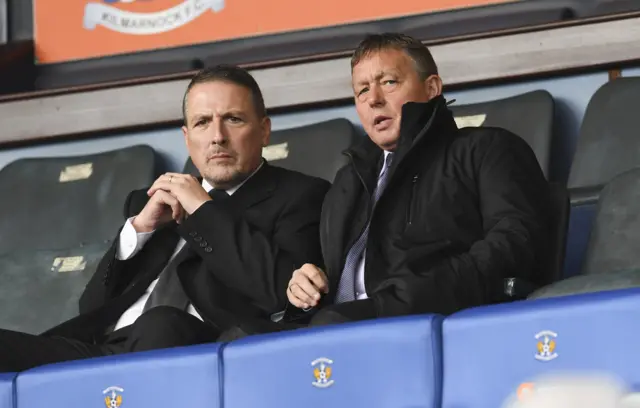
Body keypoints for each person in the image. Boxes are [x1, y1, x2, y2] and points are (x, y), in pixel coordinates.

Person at [0, 65, 330, 372]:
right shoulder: (155, 202)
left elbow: (281, 293)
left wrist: (204, 211)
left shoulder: (302, 196)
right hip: (107, 349)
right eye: (202, 123)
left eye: (233, 119)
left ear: (264, 130)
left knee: (159, 323)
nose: (217, 136)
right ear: (187, 139)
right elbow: (91, 308)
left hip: (197, 347)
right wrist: (138, 231)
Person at [284, 33, 551, 325]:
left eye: (389, 83)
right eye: (362, 91)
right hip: (342, 322)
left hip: (430, 318)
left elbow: (516, 243)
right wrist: (307, 289)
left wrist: (420, 291)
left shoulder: (488, 149)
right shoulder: (348, 180)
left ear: (432, 87)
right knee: (245, 336)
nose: (373, 100)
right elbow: (341, 275)